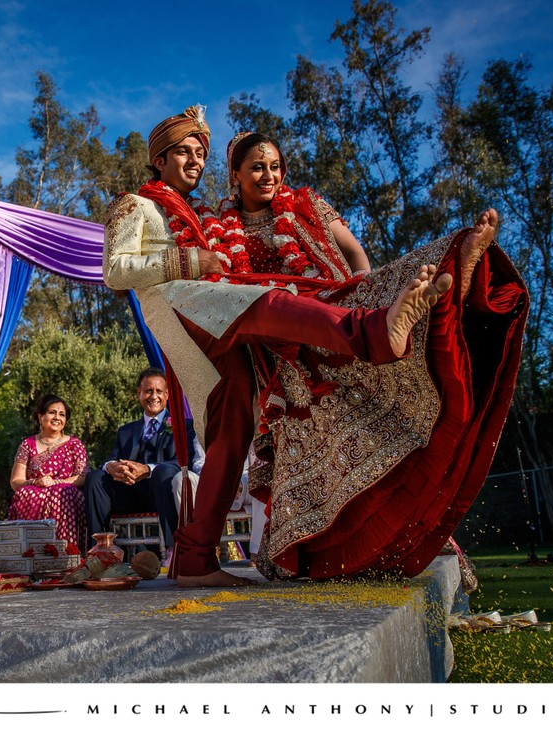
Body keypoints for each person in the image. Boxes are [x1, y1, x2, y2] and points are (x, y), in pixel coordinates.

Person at [103, 106, 453, 588]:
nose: (194, 161)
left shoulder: (201, 214)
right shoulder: (133, 204)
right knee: (267, 302)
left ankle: (195, 557)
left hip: (214, 324)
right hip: (185, 306)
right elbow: (115, 270)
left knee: (234, 432)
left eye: (201, 153)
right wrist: (192, 259)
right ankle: (372, 332)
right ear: (158, 160)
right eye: (183, 152)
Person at [207, 132, 528, 582]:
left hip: (338, 315)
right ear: (235, 174)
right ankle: (341, 553)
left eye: (276, 166)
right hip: (286, 348)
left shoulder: (307, 204)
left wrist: (363, 297)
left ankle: (457, 262)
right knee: (345, 441)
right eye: (258, 167)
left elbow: (356, 254)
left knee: (402, 292)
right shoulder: (222, 230)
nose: (269, 176)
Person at [84, 367, 197, 558]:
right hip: (129, 494)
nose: (153, 396)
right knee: (95, 478)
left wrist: (148, 469)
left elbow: (183, 463)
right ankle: (99, 550)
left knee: (164, 471)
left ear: (167, 395)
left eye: (158, 391)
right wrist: (112, 467)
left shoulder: (183, 425)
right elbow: (110, 457)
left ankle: (173, 550)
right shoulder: (126, 431)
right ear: (139, 394)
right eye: (148, 391)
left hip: (162, 492)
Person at [7, 395, 89, 549]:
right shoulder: (27, 445)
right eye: (52, 412)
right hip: (35, 492)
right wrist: (35, 482)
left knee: (61, 492)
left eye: (62, 414)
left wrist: (56, 483)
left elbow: (82, 477)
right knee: (26, 493)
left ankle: (66, 552)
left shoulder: (74, 444)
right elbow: (16, 481)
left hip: (67, 495)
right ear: (40, 417)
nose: (57, 418)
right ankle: (29, 552)